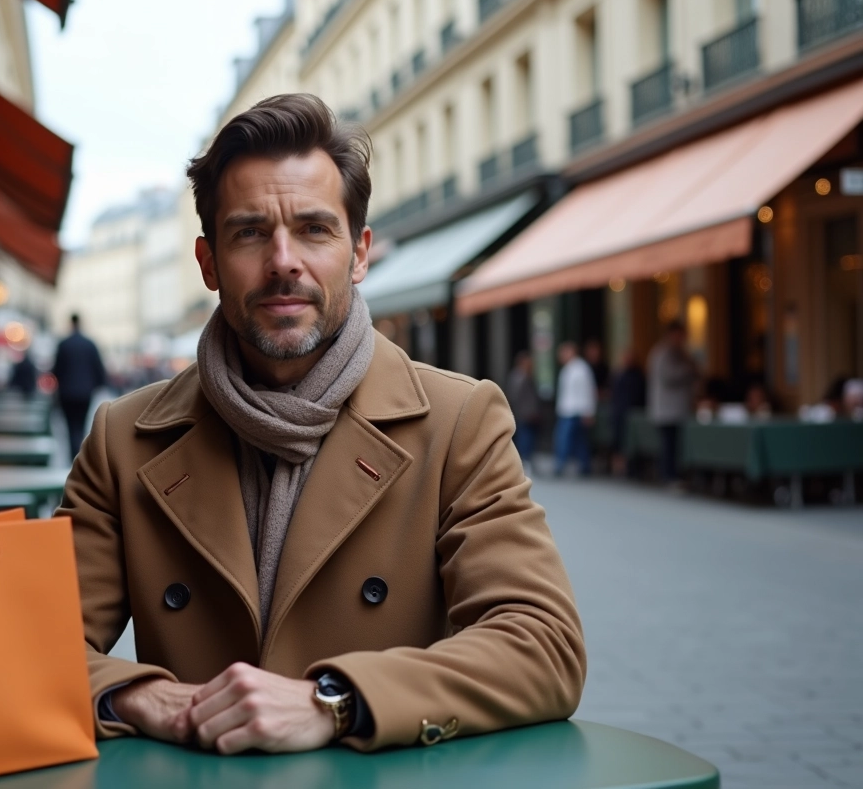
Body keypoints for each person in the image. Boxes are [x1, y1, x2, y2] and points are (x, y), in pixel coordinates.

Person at [59, 94, 584, 755]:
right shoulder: (124, 440)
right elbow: (36, 647)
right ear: (208, 262)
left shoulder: (457, 423)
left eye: (313, 229)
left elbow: (543, 646)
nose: (284, 260)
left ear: (359, 254)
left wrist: (333, 701)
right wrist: (147, 696)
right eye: (250, 232)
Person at [647, 321, 698, 486]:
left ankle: (671, 475)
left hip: (673, 409)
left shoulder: (674, 351)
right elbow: (668, 376)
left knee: (672, 444)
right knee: (669, 444)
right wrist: (689, 369)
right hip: (667, 409)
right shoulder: (665, 352)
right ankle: (669, 476)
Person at [52, 313, 108, 459]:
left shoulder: (63, 344)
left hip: (66, 393)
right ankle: (80, 456)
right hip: (85, 393)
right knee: (81, 425)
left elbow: (56, 370)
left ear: (70, 323)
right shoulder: (90, 344)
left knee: (70, 427)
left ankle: (74, 455)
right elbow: (99, 369)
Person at [552, 342, 597, 476]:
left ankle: (561, 465)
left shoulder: (581, 368)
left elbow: (588, 391)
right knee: (579, 441)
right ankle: (584, 466)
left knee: (566, 439)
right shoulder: (567, 369)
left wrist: (589, 411)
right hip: (567, 410)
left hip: (576, 410)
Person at [609, 349, 647, 475]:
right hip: (618, 412)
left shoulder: (638, 375)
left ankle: (630, 468)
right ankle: (619, 468)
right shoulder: (619, 373)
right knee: (618, 440)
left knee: (630, 441)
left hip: (631, 412)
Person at [505, 350, 541, 474]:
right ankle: (525, 460)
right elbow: (516, 396)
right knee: (525, 438)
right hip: (525, 413)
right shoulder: (520, 376)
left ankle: (526, 460)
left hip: (527, 413)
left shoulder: (524, 375)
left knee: (527, 437)